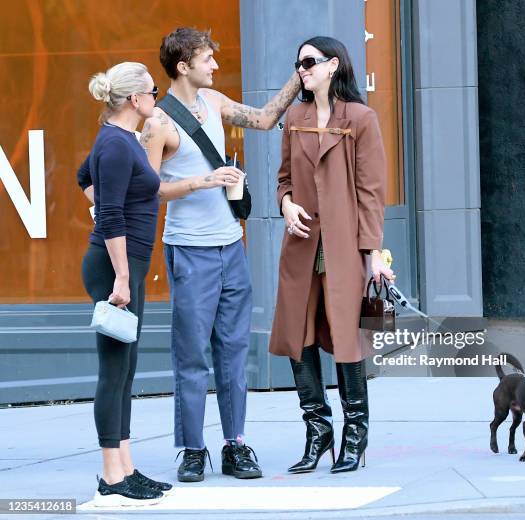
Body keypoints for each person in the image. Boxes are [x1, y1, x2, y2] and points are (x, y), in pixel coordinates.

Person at [140, 27, 301, 482]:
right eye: (207, 59)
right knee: (192, 354)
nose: (215, 66)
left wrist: (298, 76)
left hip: (232, 246)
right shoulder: (158, 124)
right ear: (183, 66)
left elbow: (267, 119)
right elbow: (148, 190)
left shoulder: (218, 104)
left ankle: (235, 444)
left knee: (232, 351)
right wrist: (200, 182)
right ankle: (193, 449)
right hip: (189, 249)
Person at [269, 36, 395, 474]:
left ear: (332, 65)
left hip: (344, 248)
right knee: (297, 338)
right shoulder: (295, 117)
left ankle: (354, 437)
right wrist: (286, 205)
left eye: (308, 62)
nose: (301, 70)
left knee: (348, 338)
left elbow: (371, 192)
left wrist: (373, 252)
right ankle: (317, 432)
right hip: (302, 247)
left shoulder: (360, 118)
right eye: (298, 63)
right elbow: (283, 179)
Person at [79, 62, 172, 505]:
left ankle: (126, 468)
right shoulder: (115, 145)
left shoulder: (122, 142)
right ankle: (111, 476)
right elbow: (110, 212)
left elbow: (85, 179)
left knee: (126, 369)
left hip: (127, 262)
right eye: (153, 91)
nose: (157, 97)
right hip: (115, 266)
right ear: (135, 100)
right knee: (113, 370)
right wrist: (121, 276)